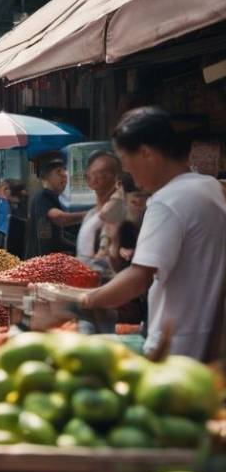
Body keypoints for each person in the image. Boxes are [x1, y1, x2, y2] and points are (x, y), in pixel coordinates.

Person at [80, 108, 226, 359]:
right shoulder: (209, 186)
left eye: (127, 164)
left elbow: (139, 279)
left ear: (147, 153)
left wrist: (84, 300)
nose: (132, 179)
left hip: (176, 349)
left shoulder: (167, 201)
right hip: (207, 344)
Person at [30, 158, 88, 256]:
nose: (64, 175)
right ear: (45, 178)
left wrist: (77, 248)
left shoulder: (53, 198)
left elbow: (57, 239)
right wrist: (90, 214)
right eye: (58, 172)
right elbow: (60, 218)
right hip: (43, 263)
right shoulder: (43, 197)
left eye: (64, 171)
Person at [77, 150, 121, 264]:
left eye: (103, 173)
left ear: (117, 178)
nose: (97, 178)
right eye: (93, 173)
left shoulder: (122, 212)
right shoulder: (90, 215)